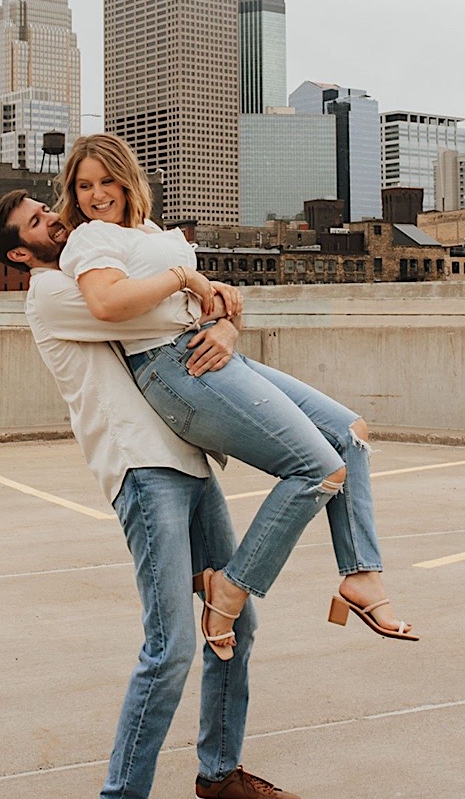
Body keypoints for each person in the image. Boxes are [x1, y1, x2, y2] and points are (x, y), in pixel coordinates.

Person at [0, 189, 303, 799]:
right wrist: (200, 289)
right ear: (18, 251)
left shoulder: (94, 262)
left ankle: (218, 771)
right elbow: (156, 312)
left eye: (48, 207)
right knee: (171, 642)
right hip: (142, 467)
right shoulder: (51, 292)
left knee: (235, 624)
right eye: (37, 222)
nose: (54, 218)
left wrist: (226, 326)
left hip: (188, 460)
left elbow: (182, 318)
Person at [53, 133, 416, 660]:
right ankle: (231, 589)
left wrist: (227, 322)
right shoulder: (92, 240)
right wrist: (185, 276)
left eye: (107, 180)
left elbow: (212, 302)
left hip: (209, 352)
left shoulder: (148, 232)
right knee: (318, 470)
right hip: (173, 368)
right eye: (84, 185)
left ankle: (362, 575)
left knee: (349, 433)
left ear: (129, 179)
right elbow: (108, 304)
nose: (97, 194)